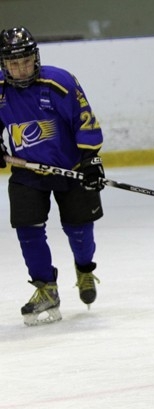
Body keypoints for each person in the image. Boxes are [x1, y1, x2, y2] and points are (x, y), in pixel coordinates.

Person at [0, 27, 105, 326]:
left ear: (36, 57)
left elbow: (85, 120)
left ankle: (84, 268)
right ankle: (45, 288)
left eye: (25, 61)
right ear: (4, 64)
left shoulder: (59, 82)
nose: (20, 70)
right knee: (27, 229)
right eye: (12, 63)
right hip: (26, 171)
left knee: (80, 230)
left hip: (70, 168)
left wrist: (91, 160)